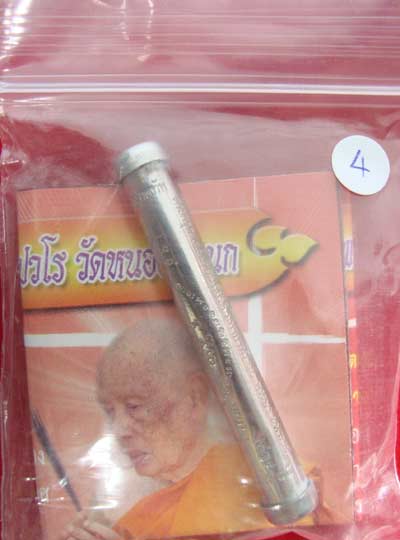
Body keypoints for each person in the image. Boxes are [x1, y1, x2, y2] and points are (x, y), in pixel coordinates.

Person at [61, 317, 317, 540]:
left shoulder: (269, 490)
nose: (119, 430)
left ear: (194, 396)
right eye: (110, 411)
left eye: (134, 407)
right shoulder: (128, 508)